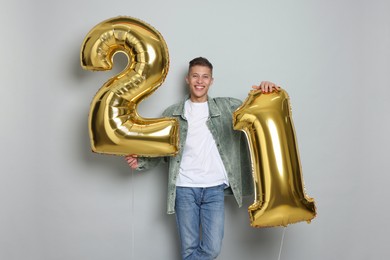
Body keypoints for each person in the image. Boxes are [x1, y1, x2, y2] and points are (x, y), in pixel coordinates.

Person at [125, 57, 279, 260]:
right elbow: (163, 151)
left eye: (205, 77)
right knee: (189, 250)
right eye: (195, 76)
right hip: (184, 189)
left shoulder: (227, 108)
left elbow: (255, 110)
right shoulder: (172, 114)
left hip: (214, 189)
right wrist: (142, 161)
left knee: (212, 249)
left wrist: (266, 89)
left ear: (211, 81)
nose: (200, 81)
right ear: (187, 79)